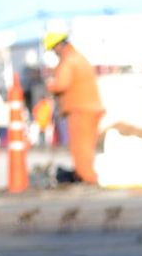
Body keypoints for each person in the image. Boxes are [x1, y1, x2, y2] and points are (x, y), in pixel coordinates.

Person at [44, 32, 105, 185]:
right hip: (86, 108)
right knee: (84, 146)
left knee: (80, 146)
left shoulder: (69, 60)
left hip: (81, 109)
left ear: (58, 45)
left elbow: (62, 83)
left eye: (53, 49)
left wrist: (50, 86)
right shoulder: (76, 57)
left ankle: (88, 178)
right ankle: (84, 176)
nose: (54, 53)